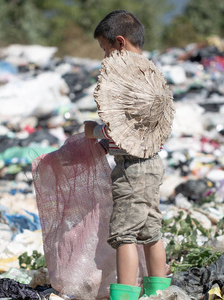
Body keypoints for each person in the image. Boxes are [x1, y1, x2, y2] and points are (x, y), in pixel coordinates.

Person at [83, 10, 171, 299]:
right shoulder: (151, 76)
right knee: (150, 231)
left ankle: (126, 295)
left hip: (131, 170)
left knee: (125, 235)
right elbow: (135, 132)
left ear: (119, 43)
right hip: (153, 163)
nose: (104, 56)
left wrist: (94, 131)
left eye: (105, 49)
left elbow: (118, 131)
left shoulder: (127, 79)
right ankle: (159, 291)